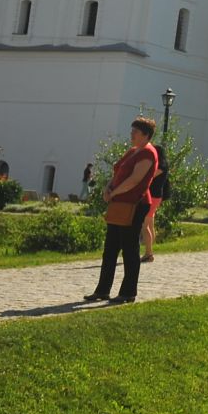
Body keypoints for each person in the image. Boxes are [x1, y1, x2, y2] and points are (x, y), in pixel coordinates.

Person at [85, 117, 157, 305]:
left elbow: (135, 179)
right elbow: (117, 173)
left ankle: (128, 292)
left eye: (135, 132)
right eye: (131, 130)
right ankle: (102, 290)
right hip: (119, 203)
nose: (131, 134)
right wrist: (107, 188)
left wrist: (114, 191)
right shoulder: (133, 151)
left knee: (129, 248)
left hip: (135, 204)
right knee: (110, 248)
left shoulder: (148, 153)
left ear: (146, 135)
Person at [140, 133, 168, 263]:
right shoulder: (163, 164)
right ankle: (151, 249)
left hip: (154, 196)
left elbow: (150, 176)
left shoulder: (161, 166)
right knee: (150, 222)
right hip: (156, 196)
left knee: (144, 225)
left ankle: (148, 253)